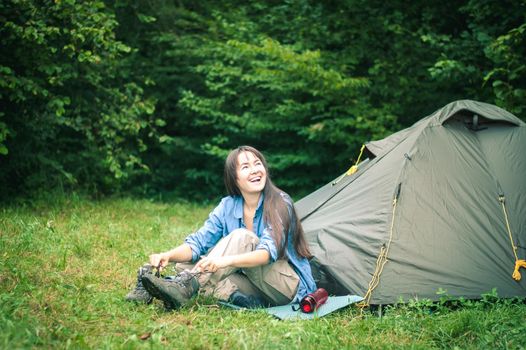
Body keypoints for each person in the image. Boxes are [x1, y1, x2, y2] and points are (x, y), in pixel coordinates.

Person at [125, 145, 317, 309]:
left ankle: (183, 286)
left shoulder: (280, 203)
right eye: (246, 166)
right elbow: (198, 243)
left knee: (241, 238)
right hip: (250, 280)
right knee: (186, 264)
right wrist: (168, 255)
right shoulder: (228, 205)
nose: (255, 170)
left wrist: (224, 261)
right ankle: (165, 285)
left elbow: (266, 254)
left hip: (287, 286)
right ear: (234, 178)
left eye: (258, 164)